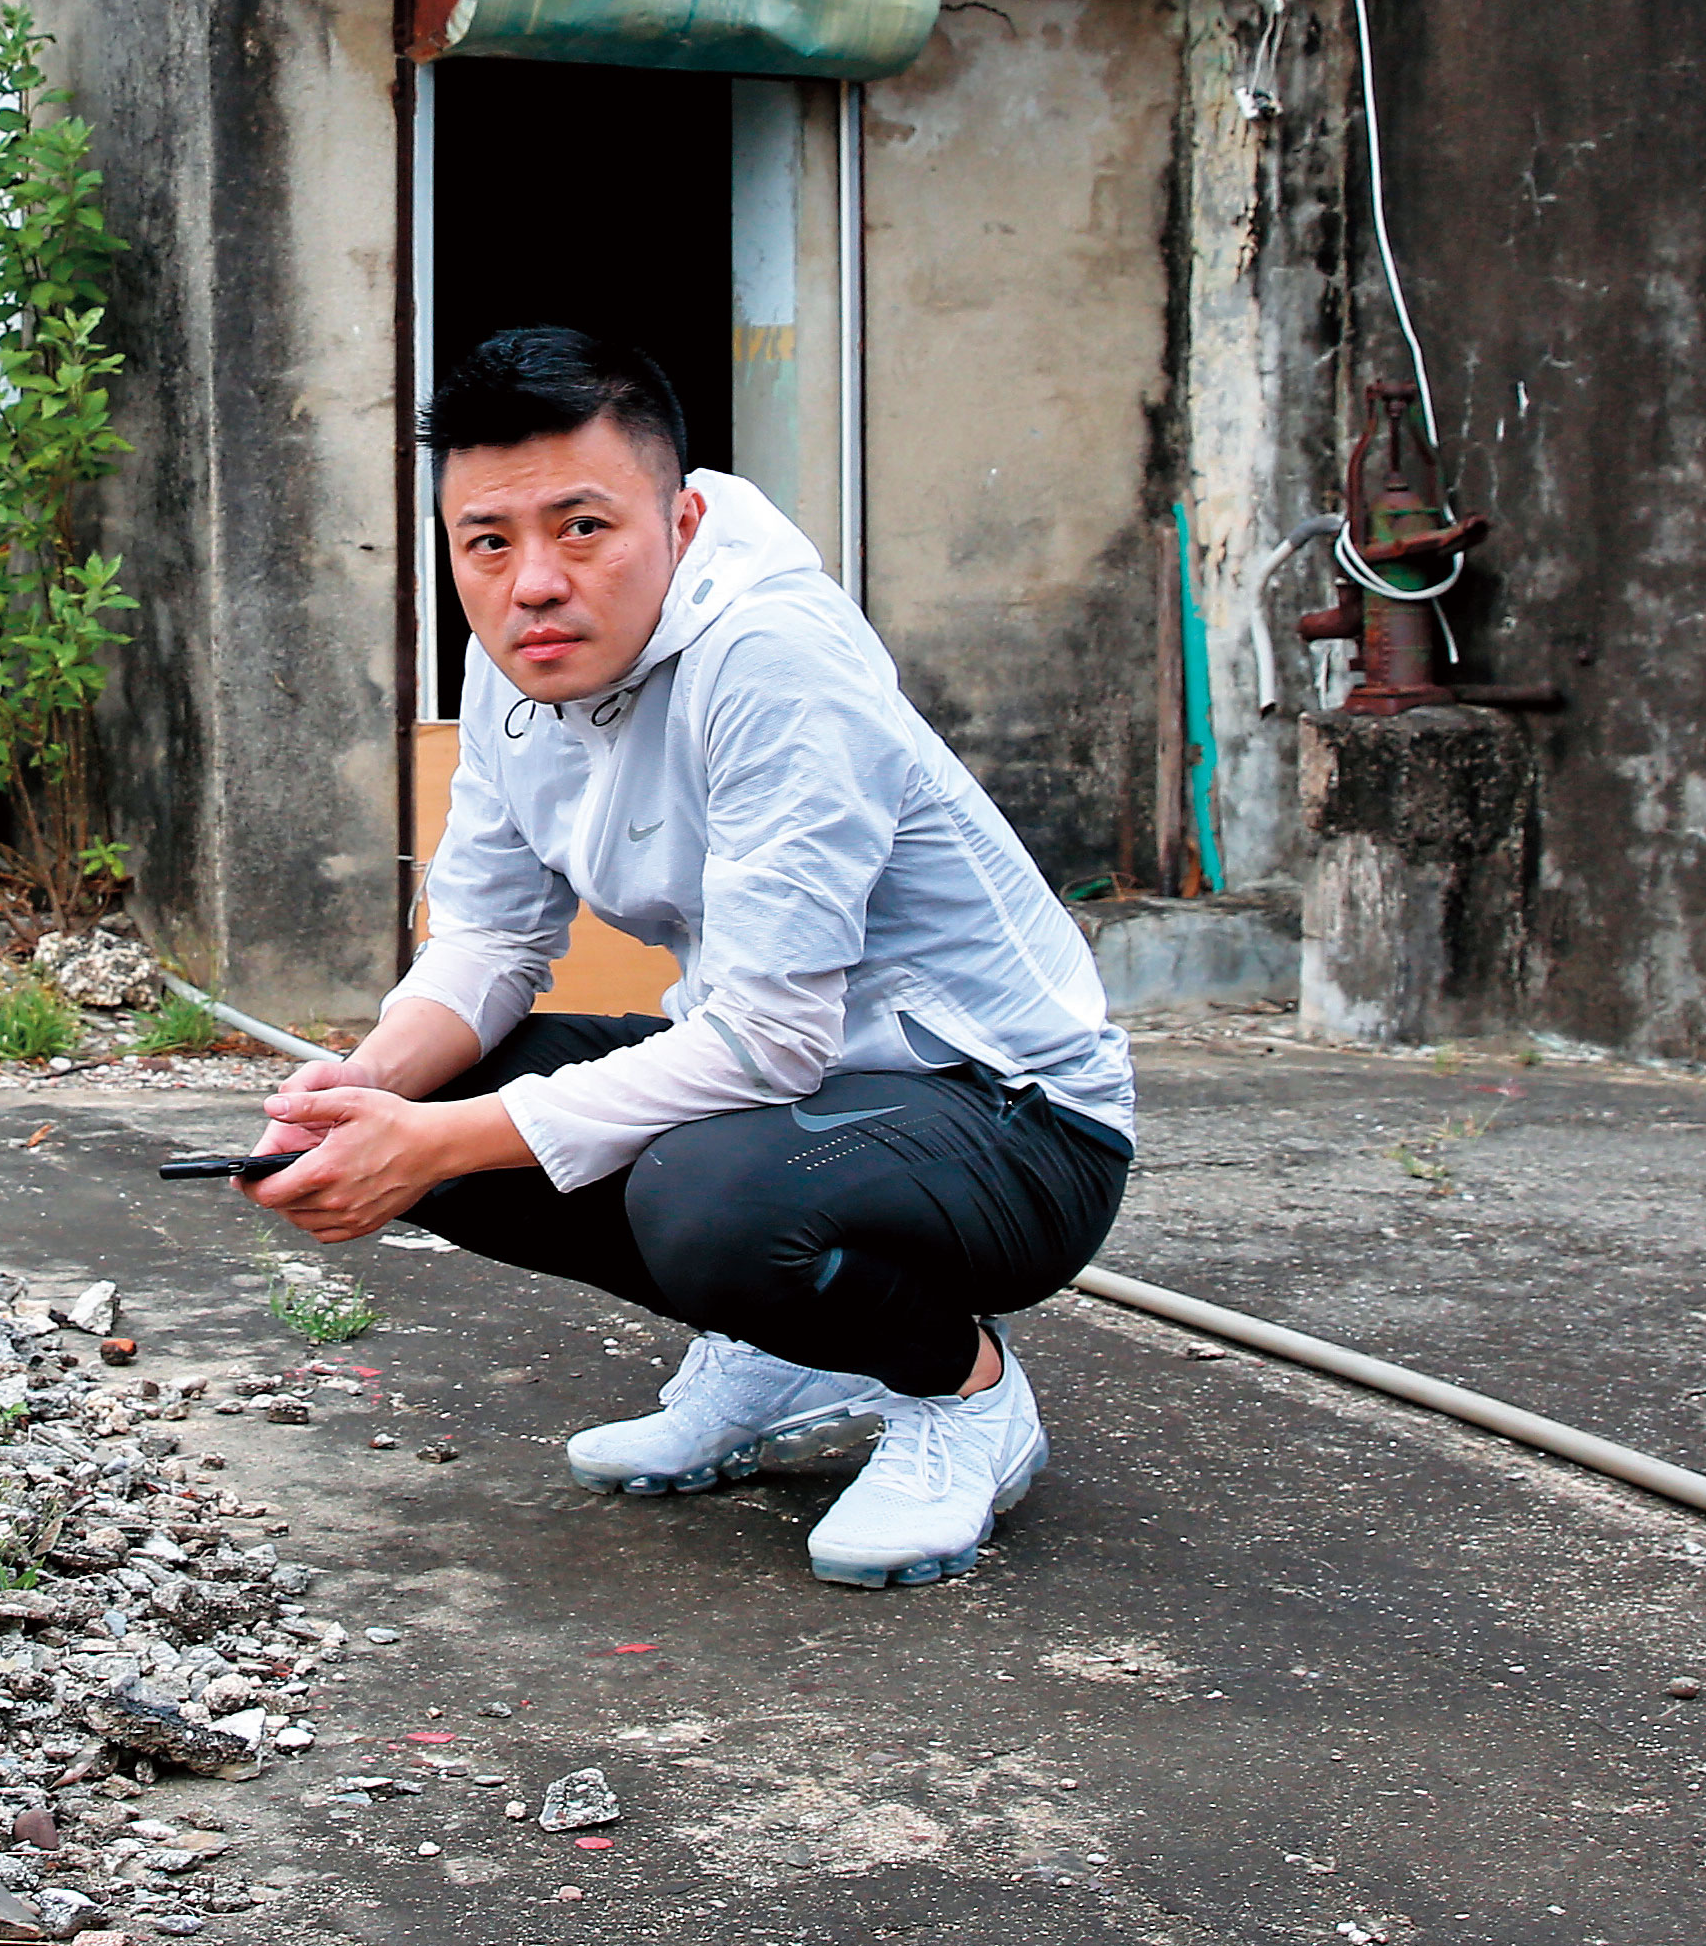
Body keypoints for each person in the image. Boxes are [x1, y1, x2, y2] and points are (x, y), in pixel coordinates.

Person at [242, 324, 1135, 1584]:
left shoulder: (777, 659)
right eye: (487, 544)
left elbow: (769, 1035)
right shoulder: (515, 669)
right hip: (804, 1097)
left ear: (683, 520)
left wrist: (438, 1142)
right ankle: (782, 1351)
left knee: (704, 1199)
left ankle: (964, 1398)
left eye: (583, 527)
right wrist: (366, 1095)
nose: (533, 584)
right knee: (435, 1097)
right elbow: (492, 938)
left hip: (1012, 1118)